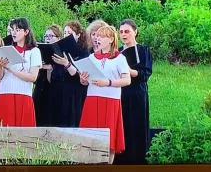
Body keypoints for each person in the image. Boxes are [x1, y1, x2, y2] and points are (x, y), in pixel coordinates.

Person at [79, 25, 131, 164]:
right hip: (92, 99)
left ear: (111, 39)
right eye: (97, 36)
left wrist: (107, 82)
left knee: (109, 139)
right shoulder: (92, 57)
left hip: (110, 101)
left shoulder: (120, 58)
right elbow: (85, 81)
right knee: (89, 136)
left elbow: (127, 80)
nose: (98, 39)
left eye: (102, 36)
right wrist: (83, 80)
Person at [113, 19, 153, 165]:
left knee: (136, 127)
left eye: (127, 31)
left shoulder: (143, 50)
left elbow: (145, 73)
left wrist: (129, 71)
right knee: (123, 128)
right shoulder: (117, 53)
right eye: (121, 31)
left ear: (135, 32)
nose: (124, 35)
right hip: (120, 94)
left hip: (137, 94)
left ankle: (138, 161)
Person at [0, 17, 41, 127]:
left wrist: (10, 69)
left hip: (23, 94)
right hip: (5, 93)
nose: (14, 32)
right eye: (12, 29)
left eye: (18, 30)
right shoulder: (7, 50)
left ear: (26, 32)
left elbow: (33, 77)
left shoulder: (34, 51)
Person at [48, 20, 91, 127]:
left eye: (69, 33)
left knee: (71, 121)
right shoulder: (62, 49)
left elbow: (77, 74)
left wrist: (66, 63)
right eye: (65, 33)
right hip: (59, 89)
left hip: (74, 90)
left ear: (78, 35)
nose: (66, 36)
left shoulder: (83, 51)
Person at [33, 25, 62, 126]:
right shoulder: (38, 51)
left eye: (51, 36)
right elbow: (34, 79)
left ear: (58, 38)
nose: (48, 39)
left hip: (55, 93)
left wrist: (50, 68)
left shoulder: (62, 54)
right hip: (40, 90)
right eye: (46, 36)